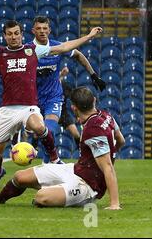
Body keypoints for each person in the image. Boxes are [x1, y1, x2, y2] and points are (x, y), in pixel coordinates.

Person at [0, 17, 102, 188]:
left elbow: (64, 47)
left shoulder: (33, 51)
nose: (13, 37)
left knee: (40, 127)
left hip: (29, 107)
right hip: (7, 110)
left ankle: (54, 158)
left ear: (22, 35)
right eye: (9, 34)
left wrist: (89, 36)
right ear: (4, 36)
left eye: (16, 33)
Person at [0, 86, 124, 209]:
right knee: (20, 177)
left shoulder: (93, 129)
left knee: (41, 197)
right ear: (94, 101)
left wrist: (114, 204)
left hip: (88, 186)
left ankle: (58, 191)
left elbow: (108, 167)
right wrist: (112, 153)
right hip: (76, 170)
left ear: (73, 107)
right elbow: (121, 140)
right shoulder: (105, 116)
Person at [29, 16, 106, 162]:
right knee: (39, 132)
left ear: (49, 30)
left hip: (53, 97)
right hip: (33, 100)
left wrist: (94, 75)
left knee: (49, 130)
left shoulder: (57, 46)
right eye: (38, 28)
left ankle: (49, 163)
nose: (42, 31)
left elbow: (78, 55)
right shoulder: (27, 50)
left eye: (45, 28)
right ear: (33, 31)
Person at [58, 67, 81, 148]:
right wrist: (61, 74)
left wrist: (78, 115)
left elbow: (74, 101)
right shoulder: (49, 84)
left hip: (63, 113)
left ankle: (81, 154)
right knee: (38, 134)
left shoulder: (65, 86)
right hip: (49, 111)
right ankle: (32, 153)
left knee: (76, 133)